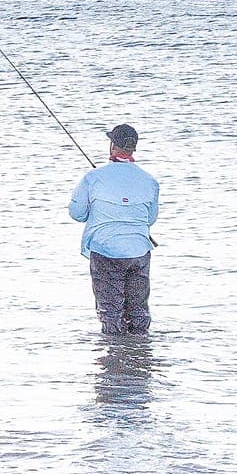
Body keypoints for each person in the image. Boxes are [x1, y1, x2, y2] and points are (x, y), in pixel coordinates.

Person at [69, 124, 160, 336]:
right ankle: (139, 356)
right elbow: (150, 219)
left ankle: (115, 360)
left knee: (111, 314)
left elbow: (77, 213)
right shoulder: (150, 181)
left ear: (112, 146)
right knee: (138, 313)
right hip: (139, 252)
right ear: (133, 148)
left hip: (106, 252)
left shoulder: (92, 178)